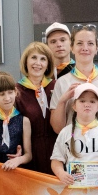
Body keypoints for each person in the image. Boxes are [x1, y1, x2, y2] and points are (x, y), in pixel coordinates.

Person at [49, 24, 98, 133]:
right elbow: (58, 129)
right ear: (72, 48)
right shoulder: (62, 82)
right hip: (74, 142)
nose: (85, 48)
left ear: (96, 48)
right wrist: (63, 101)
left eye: (90, 43)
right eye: (79, 43)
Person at [17, 42, 58, 174]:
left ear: (48, 64)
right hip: (30, 154)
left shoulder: (57, 86)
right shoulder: (16, 91)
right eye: (33, 57)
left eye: (43, 59)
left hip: (56, 152)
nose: (38, 63)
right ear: (26, 61)